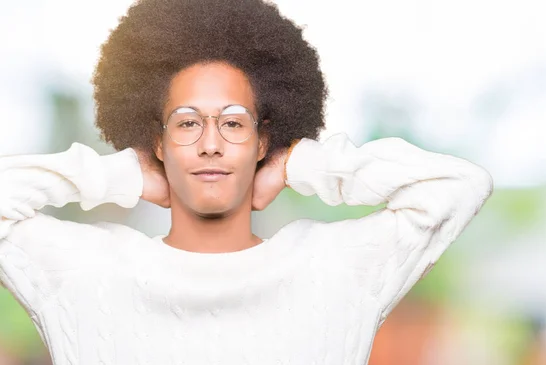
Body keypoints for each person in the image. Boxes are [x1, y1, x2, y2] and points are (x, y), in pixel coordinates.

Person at [0, 0, 494, 364]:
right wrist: (122, 174)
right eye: (188, 123)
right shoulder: (84, 269)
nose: (211, 143)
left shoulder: (337, 267)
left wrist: (298, 165)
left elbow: (459, 185)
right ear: (157, 141)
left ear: (263, 142)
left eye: (233, 123)